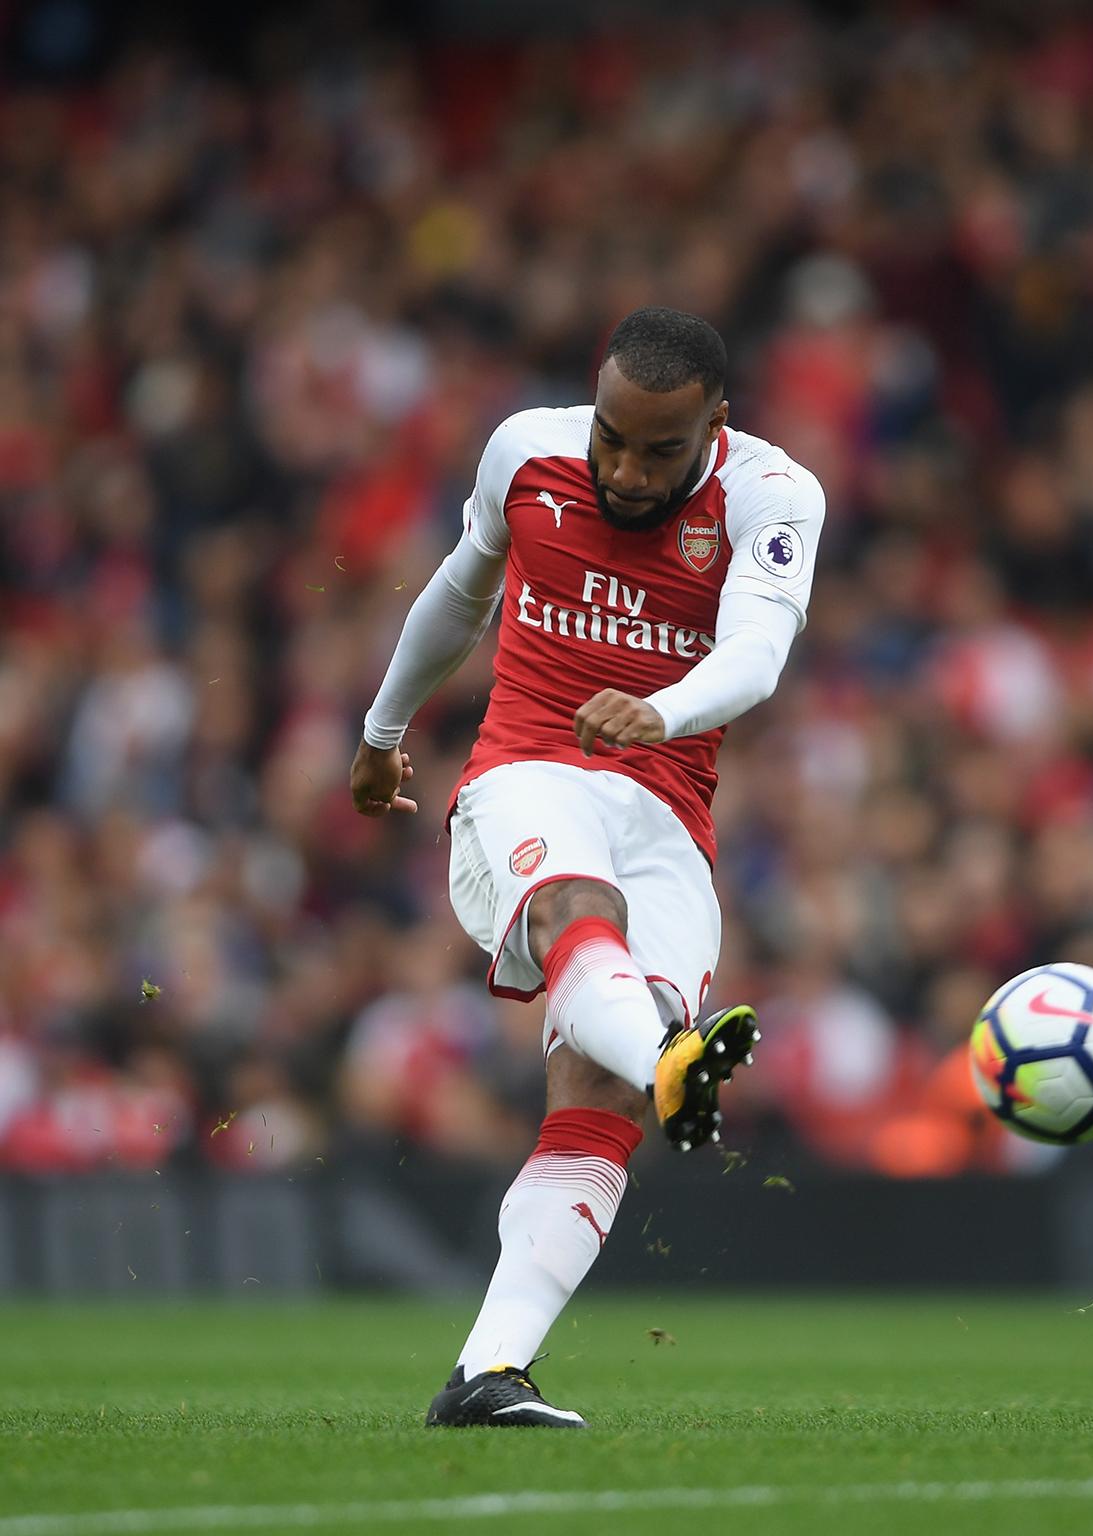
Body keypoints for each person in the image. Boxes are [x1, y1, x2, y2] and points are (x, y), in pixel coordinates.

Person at [349, 307, 825, 1427]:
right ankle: (671, 1050)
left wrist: (656, 712)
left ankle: (487, 1373)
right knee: (580, 917)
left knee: (597, 1096)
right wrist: (379, 735)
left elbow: (756, 654)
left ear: (716, 422)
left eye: (659, 449)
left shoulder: (772, 494)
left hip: (665, 809)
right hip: (528, 770)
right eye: (612, 435)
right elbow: (461, 590)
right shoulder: (525, 450)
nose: (622, 467)